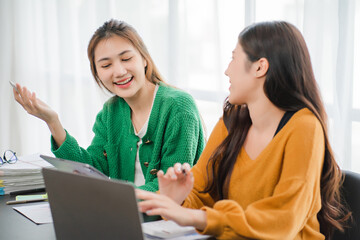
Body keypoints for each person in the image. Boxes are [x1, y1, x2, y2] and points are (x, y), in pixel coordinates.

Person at [136, 21, 350, 239]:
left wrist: (196, 217)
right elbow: (201, 193)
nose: (227, 70)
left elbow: (283, 220)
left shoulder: (304, 126)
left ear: (259, 67)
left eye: (234, 58)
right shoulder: (231, 122)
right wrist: (178, 199)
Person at [12, 19, 205, 192]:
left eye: (126, 59)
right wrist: (53, 122)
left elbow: (171, 187)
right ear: (97, 73)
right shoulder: (110, 112)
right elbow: (91, 169)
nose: (119, 71)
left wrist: (116, 200)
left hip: (169, 223)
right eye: (106, 66)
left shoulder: (179, 107)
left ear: (144, 59)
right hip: (125, 217)